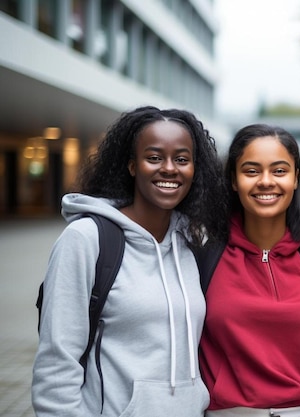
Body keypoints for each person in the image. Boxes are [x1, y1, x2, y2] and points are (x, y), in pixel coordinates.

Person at [32, 106, 229, 417]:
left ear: (195, 168)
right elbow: (57, 365)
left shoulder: (192, 244)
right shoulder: (86, 239)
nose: (169, 168)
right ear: (132, 165)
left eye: (181, 159)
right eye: (153, 157)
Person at [198, 124, 300, 417]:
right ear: (233, 180)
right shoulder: (204, 256)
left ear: (296, 178)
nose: (266, 181)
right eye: (251, 171)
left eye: (279, 171)